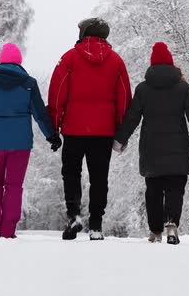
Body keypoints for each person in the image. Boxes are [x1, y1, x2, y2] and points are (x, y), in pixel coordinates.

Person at [114, 42, 189, 245]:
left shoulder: (143, 89)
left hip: (151, 149)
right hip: (177, 148)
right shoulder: (183, 88)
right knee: (176, 188)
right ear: (172, 63)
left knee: (153, 189)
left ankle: (155, 231)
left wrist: (121, 139)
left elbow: (132, 117)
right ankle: (172, 225)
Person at [47, 18, 132, 241]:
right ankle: (96, 224)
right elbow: (123, 99)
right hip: (103, 132)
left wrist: (54, 126)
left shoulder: (68, 59)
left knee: (71, 173)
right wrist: (121, 130)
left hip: (74, 129)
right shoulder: (116, 62)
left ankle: (74, 215)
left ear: (84, 33)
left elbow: (57, 95)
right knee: (99, 177)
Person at [0, 43, 62, 238]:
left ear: (0, 61)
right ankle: (8, 229)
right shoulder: (29, 84)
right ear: (19, 62)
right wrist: (51, 136)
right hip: (20, 144)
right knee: (14, 185)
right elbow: (39, 114)